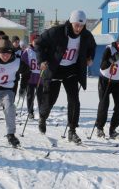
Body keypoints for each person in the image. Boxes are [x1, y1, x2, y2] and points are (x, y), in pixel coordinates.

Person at [35, 10, 96, 144]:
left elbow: (92, 47)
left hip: (71, 71)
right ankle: (43, 117)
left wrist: (90, 57)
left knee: (74, 100)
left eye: (81, 26)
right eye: (76, 25)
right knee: (51, 99)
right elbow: (38, 43)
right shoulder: (57, 31)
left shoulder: (86, 35)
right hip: (55, 69)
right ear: (70, 22)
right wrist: (42, 60)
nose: (79, 28)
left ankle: (72, 131)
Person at [21, 34, 43, 119]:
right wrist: (25, 71)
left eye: (38, 41)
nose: (37, 43)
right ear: (32, 41)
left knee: (40, 96)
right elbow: (22, 63)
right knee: (30, 95)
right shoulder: (27, 51)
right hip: (30, 77)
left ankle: (41, 112)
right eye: (35, 41)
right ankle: (30, 112)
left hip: (40, 77)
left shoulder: (42, 51)